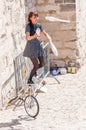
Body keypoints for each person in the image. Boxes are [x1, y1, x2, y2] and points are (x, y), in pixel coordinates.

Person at [23, 11, 51, 84]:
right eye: (34, 17)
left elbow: (44, 33)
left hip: (38, 46)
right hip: (31, 48)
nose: (36, 18)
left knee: (42, 63)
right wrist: (35, 36)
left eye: (37, 17)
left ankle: (34, 72)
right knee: (35, 65)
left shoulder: (39, 25)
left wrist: (48, 37)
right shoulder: (28, 26)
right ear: (30, 18)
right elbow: (28, 38)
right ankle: (29, 79)